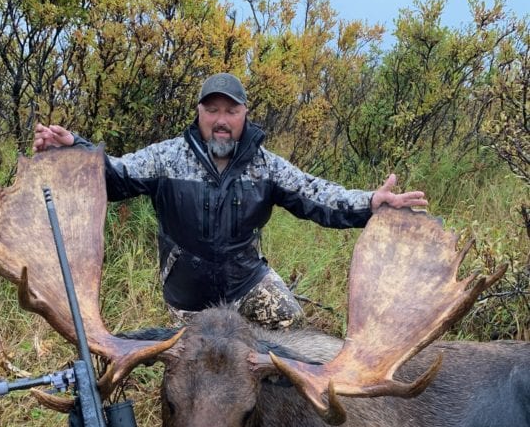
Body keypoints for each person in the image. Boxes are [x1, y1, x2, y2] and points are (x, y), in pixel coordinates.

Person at [33, 72, 427, 328]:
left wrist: (371, 203)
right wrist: (74, 151)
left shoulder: (266, 166)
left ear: (244, 114)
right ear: (199, 112)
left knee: (291, 327)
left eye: (231, 111)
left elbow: (317, 195)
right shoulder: (167, 158)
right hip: (189, 296)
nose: (221, 120)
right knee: (193, 374)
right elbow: (114, 175)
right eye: (212, 110)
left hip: (246, 282)